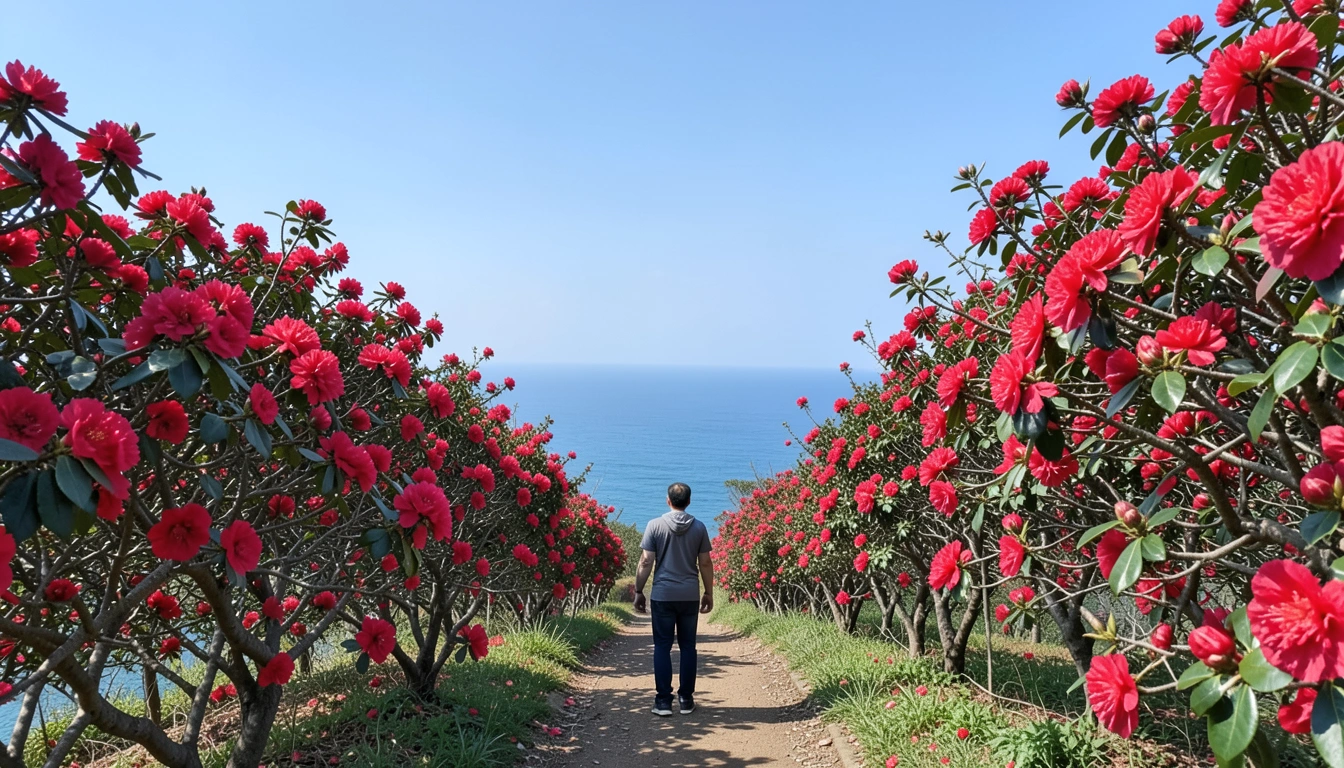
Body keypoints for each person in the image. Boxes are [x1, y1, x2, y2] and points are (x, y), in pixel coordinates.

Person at [633, 482, 713, 717]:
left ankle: (663, 702)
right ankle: (686, 700)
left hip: (662, 595)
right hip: (689, 595)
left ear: (668, 501)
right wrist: (708, 592)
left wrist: (639, 590)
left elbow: (646, 560)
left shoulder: (654, 526)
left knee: (662, 646)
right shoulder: (699, 527)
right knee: (688, 647)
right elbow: (705, 562)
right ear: (689, 501)